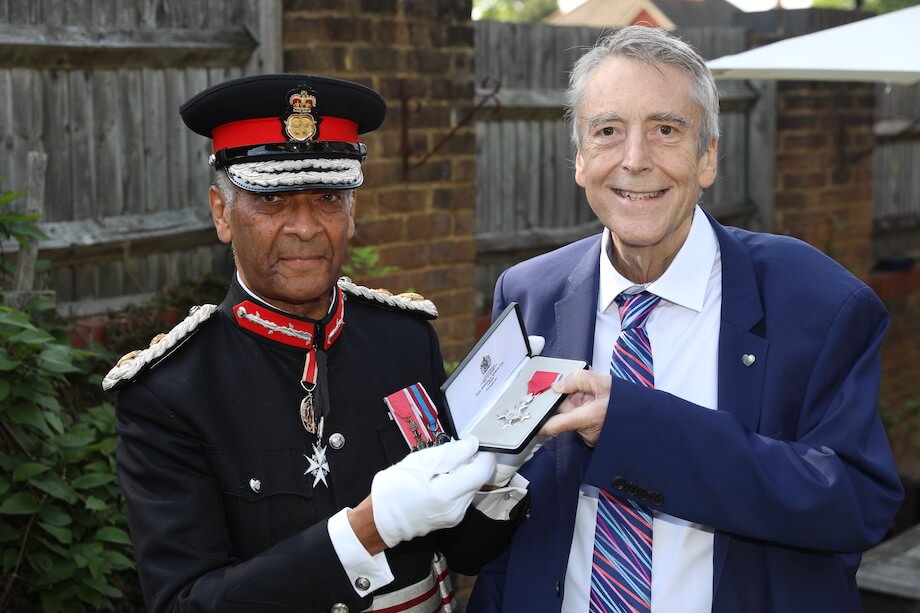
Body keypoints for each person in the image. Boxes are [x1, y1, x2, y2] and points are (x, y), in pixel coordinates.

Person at [468, 26, 904, 613]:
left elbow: (857, 500)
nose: (634, 160)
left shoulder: (818, 300)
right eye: (607, 131)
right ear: (579, 160)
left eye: (665, 130)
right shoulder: (528, 292)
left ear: (708, 158)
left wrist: (635, 430)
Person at [103, 74, 527, 613]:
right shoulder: (170, 392)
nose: (305, 227)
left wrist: (498, 468)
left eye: (328, 197)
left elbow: (463, 552)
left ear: (352, 213)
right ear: (221, 213)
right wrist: (364, 533)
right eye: (272, 199)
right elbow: (186, 603)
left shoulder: (403, 338)